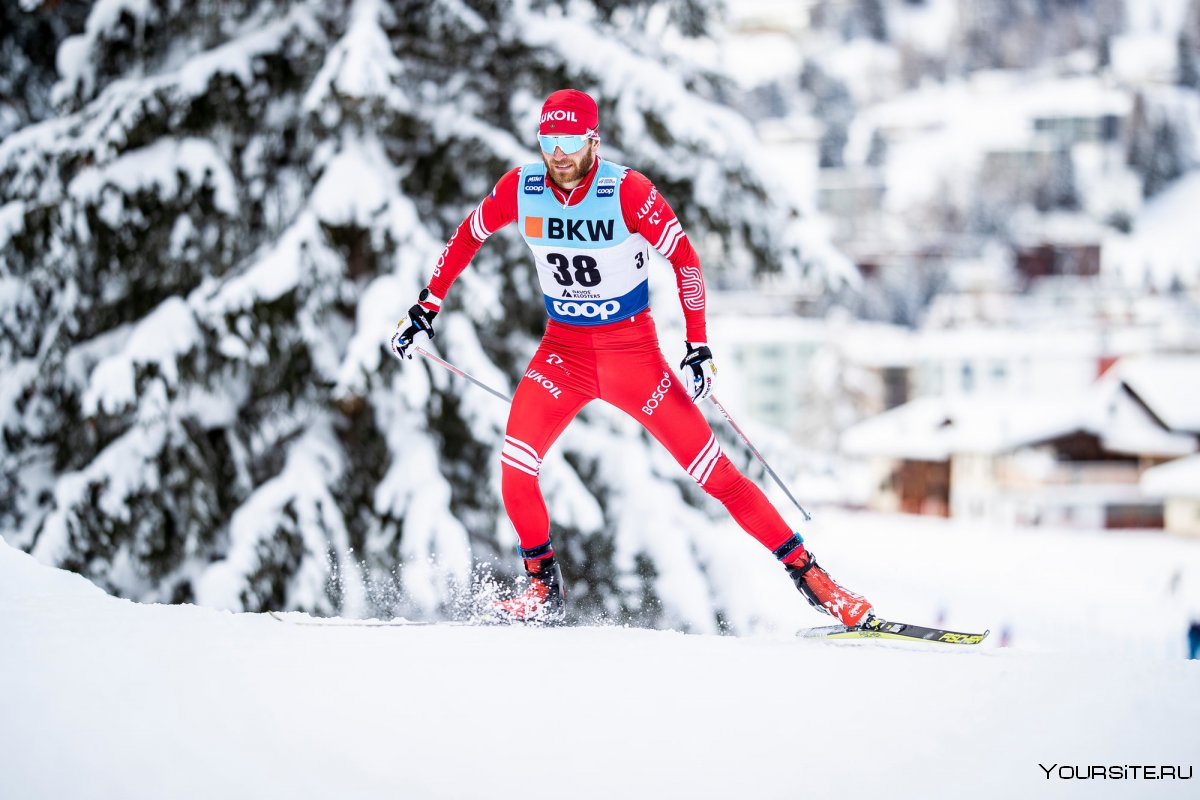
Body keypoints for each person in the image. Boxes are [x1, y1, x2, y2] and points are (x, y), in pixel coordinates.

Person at [391, 89, 871, 627]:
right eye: (548, 140)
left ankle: (814, 579)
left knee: (717, 476)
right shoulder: (522, 188)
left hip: (633, 358)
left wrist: (698, 345)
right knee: (515, 467)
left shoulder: (628, 192)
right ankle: (541, 587)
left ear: (593, 138)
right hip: (562, 354)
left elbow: (685, 262)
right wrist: (427, 305)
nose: (559, 153)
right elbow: (466, 237)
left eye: (570, 140)